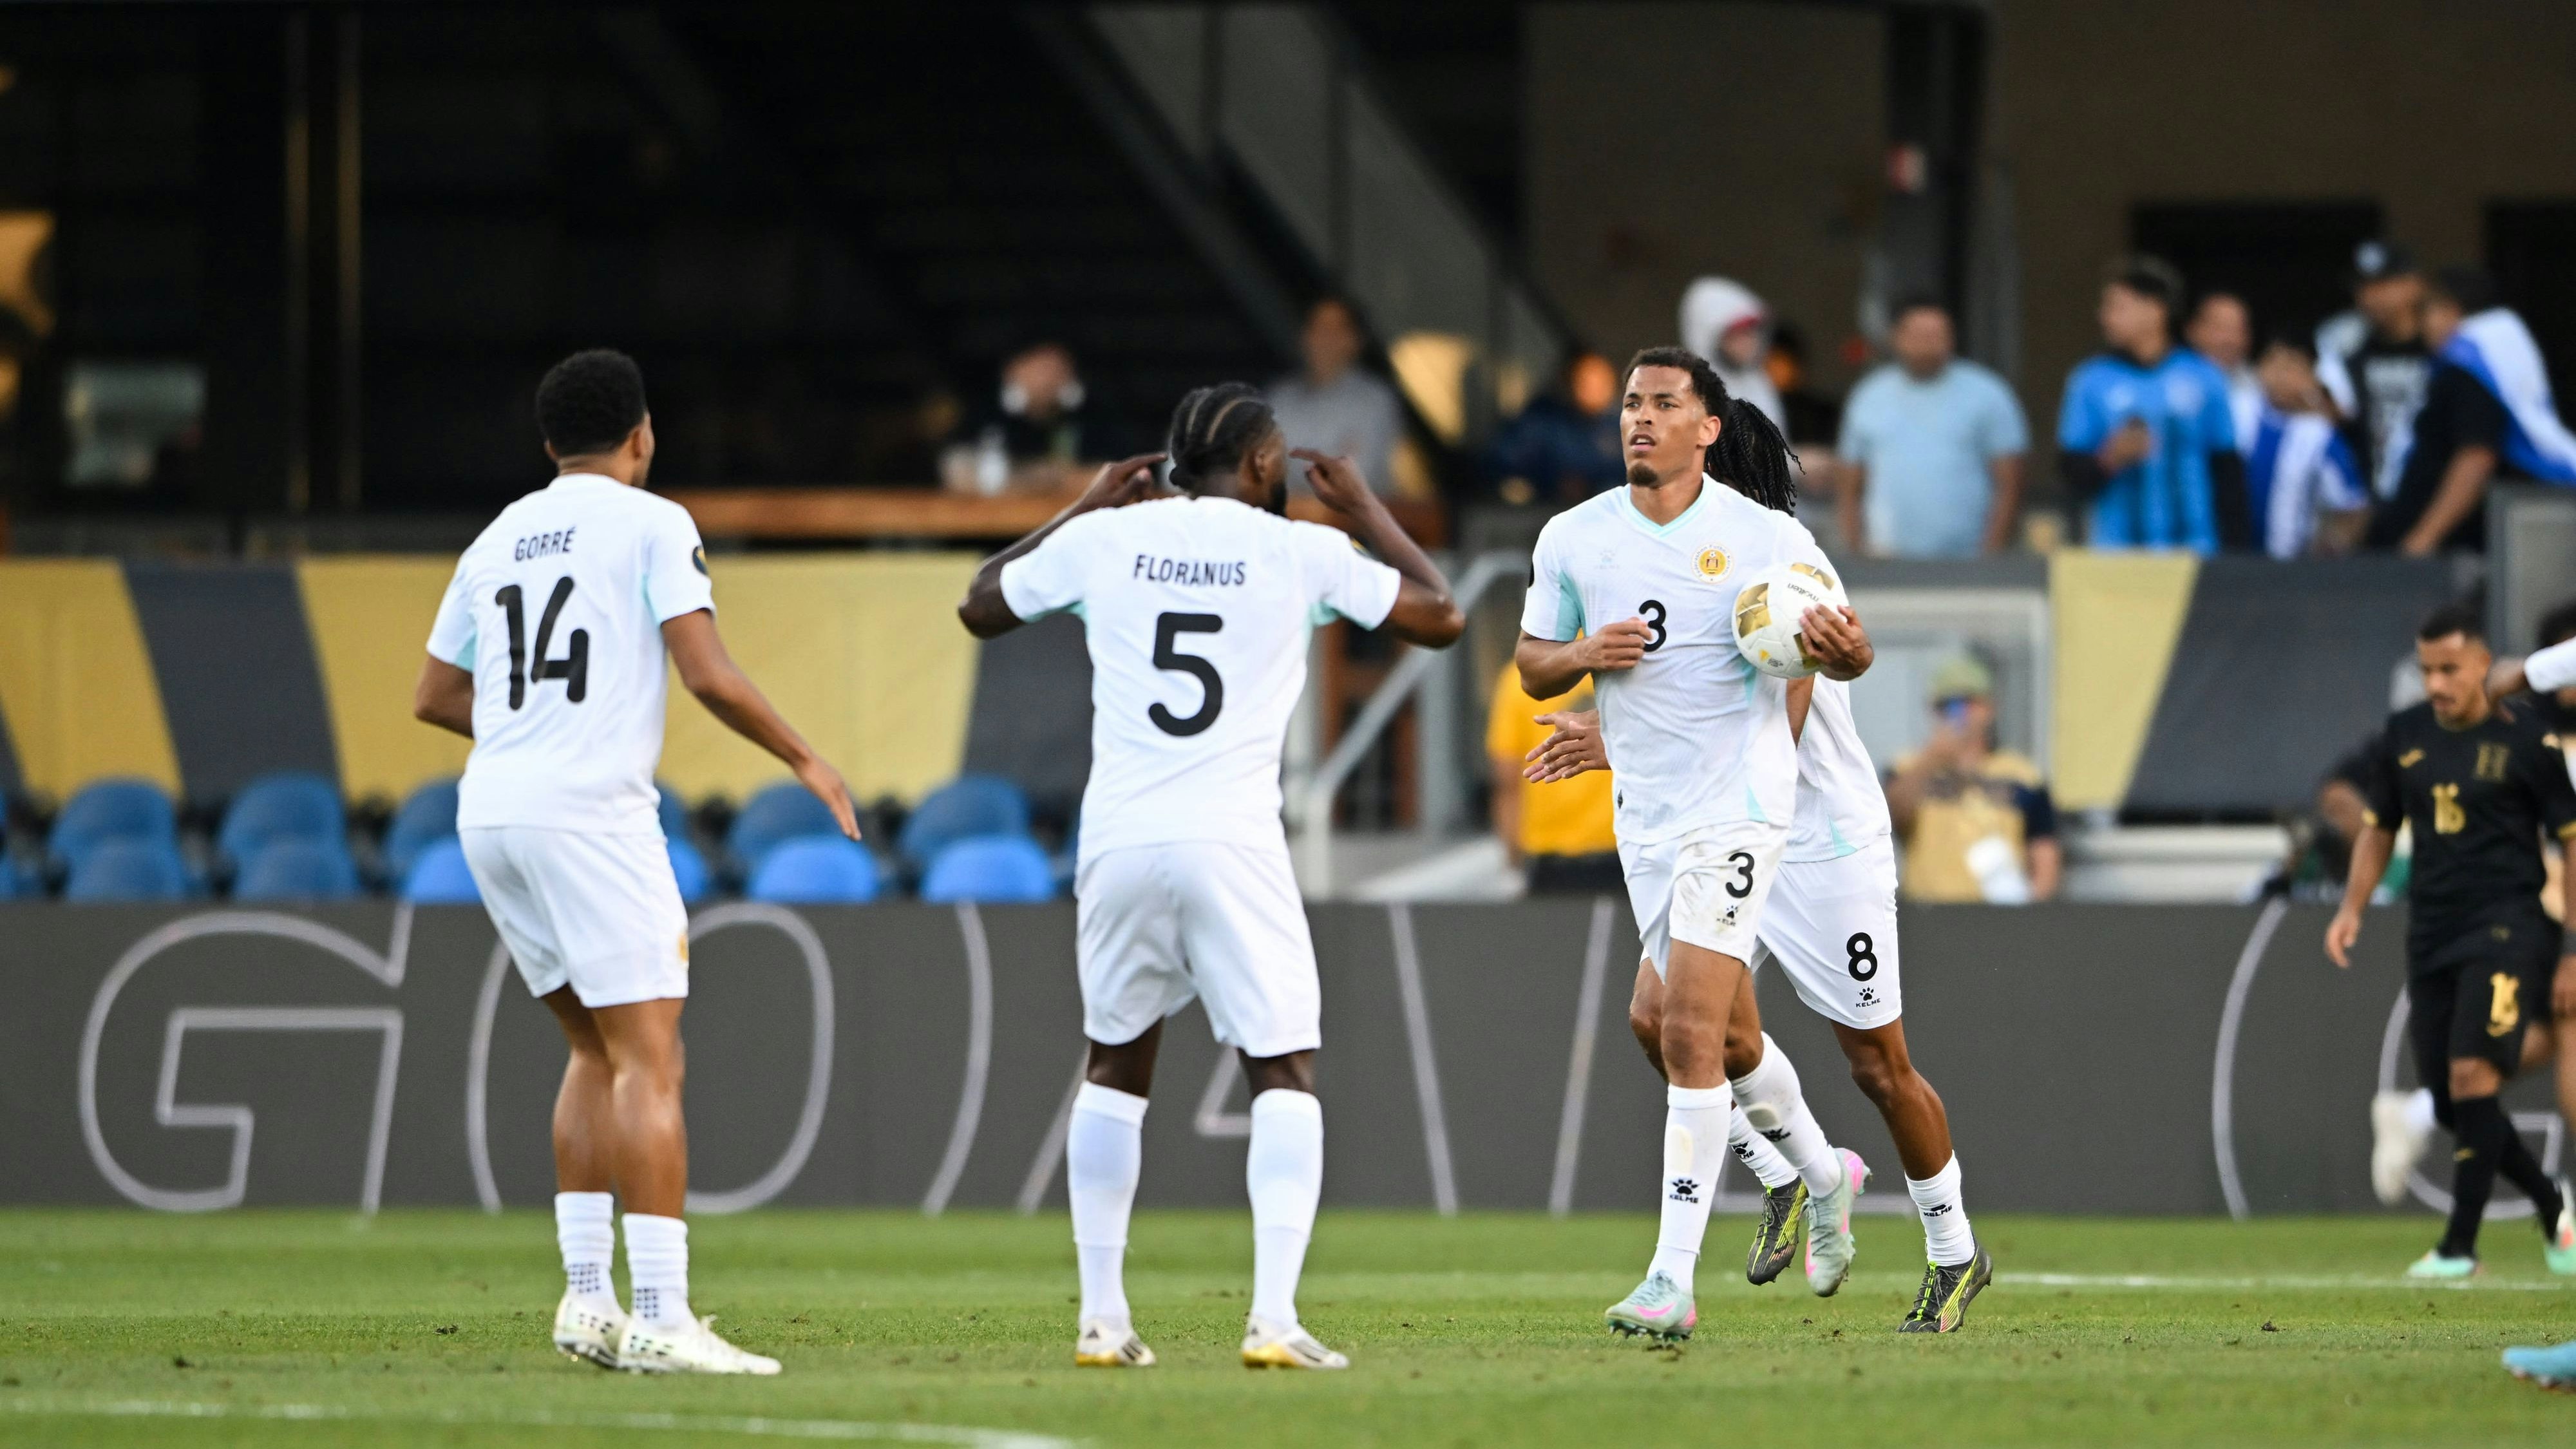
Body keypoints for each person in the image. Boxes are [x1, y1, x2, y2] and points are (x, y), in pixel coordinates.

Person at [957, 385, 1463, 1371]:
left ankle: (1102, 1319)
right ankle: (1272, 1317)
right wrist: (1366, 511)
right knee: (1283, 1067)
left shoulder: (1111, 538)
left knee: (1115, 1061)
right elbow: (1441, 616)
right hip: (1229, 838)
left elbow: (979, 604)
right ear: (1267, 466)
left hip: (1118, 837)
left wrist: (1083, 506)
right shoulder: (1300, 550)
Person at [412, 349, 859, 1376]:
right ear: (643, 435)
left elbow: (434, 695)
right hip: (588, 815)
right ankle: (662, 1315)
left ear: (547, 445)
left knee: (594, 1051)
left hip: (495, 812)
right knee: (652, 1056)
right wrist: (804, 755)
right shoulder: (655, 522)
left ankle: (586, 1300)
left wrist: (529, 722)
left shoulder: (496, 537)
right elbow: (704, 670)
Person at [1524, 592, 1996, 1334]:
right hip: (1720, 831)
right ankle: (1798, 1176)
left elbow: (1777, 729)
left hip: (1820, 844)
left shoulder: (1778, 571)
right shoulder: (1668, 566)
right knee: (1664, 1019)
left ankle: (1953, 1249)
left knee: (1877, 1066)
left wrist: (1620, 747)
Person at [1515, 346, 1862, 1343]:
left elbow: (1842, 649)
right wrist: (1582, 656)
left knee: (1688, 1032)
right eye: (1631, 404)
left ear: (1708, 427)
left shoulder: (1765, 539)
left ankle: (1671, 1278)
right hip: (1649, 820)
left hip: (1740, 810)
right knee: (1678, 1024)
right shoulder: (1575, 538)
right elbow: (1534, 663)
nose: (1640, 418)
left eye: (1664, 404)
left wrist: (1848, 651)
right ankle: (1820, 1171)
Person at [2325, 600, 2576, 1278]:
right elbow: (2377, 827)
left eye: (2449, 670)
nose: (2435, 685)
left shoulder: (2529, 741)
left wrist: (2573, 948)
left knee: (2471, 1076)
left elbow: (2572, 844)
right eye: (2426, 670)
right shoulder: (2404, 734)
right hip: (2432, 926)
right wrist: (2352, 906)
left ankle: (2458, 1248)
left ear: (2481, 666)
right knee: (2455, 1094)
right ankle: (2553, 1206)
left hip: (2511, 926)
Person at [2366, 267, 2576, 554]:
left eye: (2425, 312)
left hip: (2446, 563)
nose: (2422, 325)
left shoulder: (2470, 371)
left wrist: (2421, 541)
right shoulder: (2478, 365)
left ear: (2449, 310)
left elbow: (2476, 458)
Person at [2056, 255, 2253, 553]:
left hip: (2197, 555)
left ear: (2154, 310)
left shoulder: (2204, 376)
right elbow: (2070, 473)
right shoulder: (2090, 380)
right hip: (2118, 557)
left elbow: (2227, 472)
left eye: (2117, 307)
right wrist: (2110, 458)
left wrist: (2237, 552)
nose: (2104, 317)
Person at [1836, 296, 2029, 558]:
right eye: (1917, 333)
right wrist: (1857, 553)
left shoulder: (1988, 393)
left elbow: (2011, 483)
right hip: (1885, 562)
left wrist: (1989, 557)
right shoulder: (1869, 396)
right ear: (1895, 337)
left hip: (1967, 562)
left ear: (1952, 338)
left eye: (1937, 334)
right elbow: (1849, 484)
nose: (1927, 342)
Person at [1884, 654, 2060, 904]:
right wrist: (1933, 759)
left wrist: (2030, 913)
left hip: (2000, 917)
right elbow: (1893, 820)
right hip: (1930, 915)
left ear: (1990, 708)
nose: (1959, 714)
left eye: (1969, 702)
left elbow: (2044, 852)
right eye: (1947, 705)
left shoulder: (2022, 775)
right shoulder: (1907, 767)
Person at [1485, 663, 1619, 893]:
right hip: (1621, 844)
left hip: (1548, 854)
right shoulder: (1627, 666)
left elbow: (1507, 780)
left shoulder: (1521, 675)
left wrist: (1513, 862)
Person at [2320, 241, 2432, 504]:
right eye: (2363, 287)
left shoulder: (2442, 352)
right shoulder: (2345, 353)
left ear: (2414, 285)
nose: (2370, 296)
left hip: (2427, 504)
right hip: (2368, 506)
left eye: (2383, 284)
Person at [940, 342, 1128, 495]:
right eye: (1039, 368)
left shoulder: (1095, 415)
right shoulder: (984, 413)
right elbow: (959, 476)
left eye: (1057, 369)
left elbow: (1115, 475)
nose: (1047, 379)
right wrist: (1045, 478)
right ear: (1014, 369)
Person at [2244, 335, 2370, 558]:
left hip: (2293, 570)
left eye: (2292, 367)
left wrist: (2325, 555)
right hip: (2230, 562)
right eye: (2274, 364)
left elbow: (2352, 506)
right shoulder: (2239, 413)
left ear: (2311, 378)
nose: (2281, 376)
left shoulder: (2318, 434)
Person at [1269, 297, 1403, 497]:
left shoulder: (1374, 401)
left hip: (1352, 522)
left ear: (1356, 340)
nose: (1324, 340)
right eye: (1317, 329)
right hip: (1288, 518)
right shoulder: (1280, 397)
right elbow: (1263, 469)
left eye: (1334, 331)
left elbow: (1356, 475)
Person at [1484, 350, 1624, 505]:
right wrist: (1550, 483)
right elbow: (1501, 463)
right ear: (1568, 382)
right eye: (1584, 382)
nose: (1593, 390)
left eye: (1601, 383)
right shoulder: (1542, 421)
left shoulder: (1624, 426)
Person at [1679, 275, 1786, 431]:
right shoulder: (1695, 393)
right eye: (1737, 334)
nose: (1749, 341)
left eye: (1751, 331)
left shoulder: (1759, 383)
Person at [2186, 291, 2262, 449]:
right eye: (2219, 328)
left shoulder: (2262, 390)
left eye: (2238, 330)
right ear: (2192, 330)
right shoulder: (2170, 381)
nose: (2229, 339)